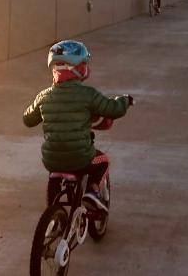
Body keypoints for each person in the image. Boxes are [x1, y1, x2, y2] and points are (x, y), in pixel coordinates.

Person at [23, 40, 134, 212]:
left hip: (51, 160)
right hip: (81, 158)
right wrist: (124, 100)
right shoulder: (88, 95)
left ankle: (52, 213)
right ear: (80, 69)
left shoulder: (44, 96)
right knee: (104, 161)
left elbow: (28, 120)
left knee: (55, 170)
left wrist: (37, 107)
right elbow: (114, 109)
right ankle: (93, 191)